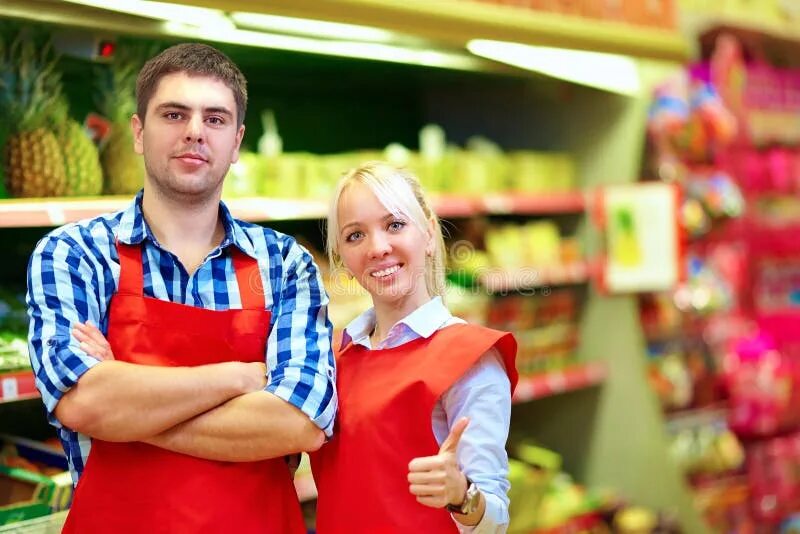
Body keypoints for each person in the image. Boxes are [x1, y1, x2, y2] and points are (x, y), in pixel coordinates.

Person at [25, 43, 336, 533]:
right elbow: (84, 403)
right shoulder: (74, 254)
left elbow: (297, 424)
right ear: (138, 132)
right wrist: (239, 378)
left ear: (236, 142)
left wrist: (127, 410)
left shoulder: (284, 264)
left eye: (215, 118)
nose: (194, 131)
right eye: (174, 113)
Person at [310, 161, 518, 533]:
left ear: (428, 232)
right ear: (341, 254)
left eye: (394, 225)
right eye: (355, 235)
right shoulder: (330, 354)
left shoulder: (470, 357)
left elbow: (495, 521)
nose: (377, 248)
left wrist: (461, 494)